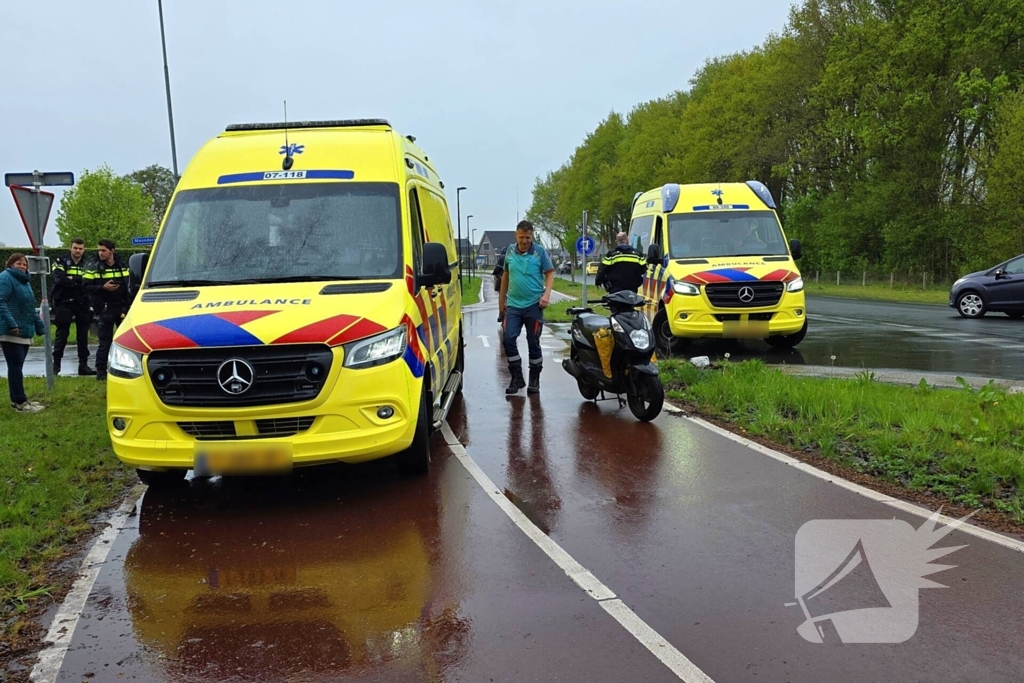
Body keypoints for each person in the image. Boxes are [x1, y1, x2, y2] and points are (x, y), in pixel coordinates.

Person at [498, 220, 554, 395]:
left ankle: (534, 380)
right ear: (516, 235)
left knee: (533, 342)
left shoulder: (539, 252)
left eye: (528, 237)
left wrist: (546, 295)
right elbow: (505, 276)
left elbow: (550, 273)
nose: (524, 241)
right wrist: (501, 302)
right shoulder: (509, 251)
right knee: (508, 340)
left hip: (534, 305)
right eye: (521, 237)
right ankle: (517, 378)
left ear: (532, 236)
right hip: (514, 305)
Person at [0, 254, 46, 412]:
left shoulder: (24, 281)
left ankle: (18, 400)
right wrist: (11, 323)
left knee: (17, 365)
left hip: (23, 330)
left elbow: (29, 307)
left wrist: (39, 326)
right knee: (15, 366)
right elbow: (1, 302)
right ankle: (20, 402)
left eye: (24, 264)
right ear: (10, 264)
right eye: (18, 263)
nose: (22, 266)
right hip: (11, 330)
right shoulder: (5, 278)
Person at [85, 239, 131, 381]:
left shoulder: (122, 265)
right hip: (105, 309)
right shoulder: (93, 267)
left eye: (103, 250)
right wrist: (102, 288)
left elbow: (130, 285)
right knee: (104, 342)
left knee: (127, 342)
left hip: (122, 308)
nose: (100, 253)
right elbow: (86, 287)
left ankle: (128, 371)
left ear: (112, 250)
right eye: (99, 250)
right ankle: (101, 372)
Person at [50, 238, 96, 376]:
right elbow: (59, 279)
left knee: (83, 336)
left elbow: (90, 280)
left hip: (83, 302)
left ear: (84, 249)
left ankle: (83, 366)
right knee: (62, 334)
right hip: (64, 302)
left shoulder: (89, 263)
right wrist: (78, 281)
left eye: (80, 248)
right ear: (70, 248)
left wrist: (72, 279)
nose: (78, 251)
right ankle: (55, 365)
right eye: (75, 248)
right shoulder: (60, 261)